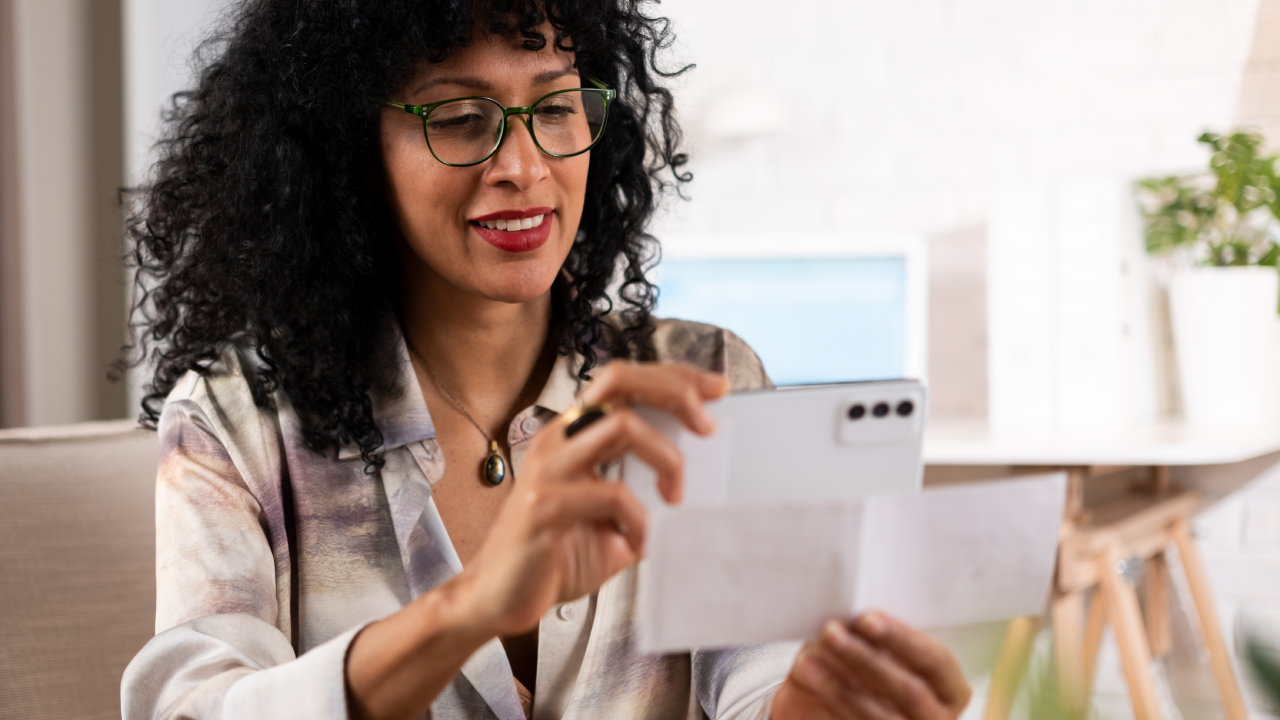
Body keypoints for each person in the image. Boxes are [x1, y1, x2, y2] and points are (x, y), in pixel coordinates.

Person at [119, 2, 973, 719]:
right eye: (460, 118)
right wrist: (473, 605)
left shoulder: (705, 378)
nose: (523, 168)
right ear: (348, 152)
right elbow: (198, 707)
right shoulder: (237, 423)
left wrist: (818, 705)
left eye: (557, 109)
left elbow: (762, 676)